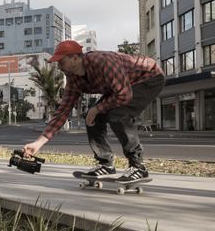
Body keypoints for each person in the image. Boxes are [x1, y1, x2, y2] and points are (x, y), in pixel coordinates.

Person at [23, 40, 165, 183]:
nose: (59, 67)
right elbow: (63, 111)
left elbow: (124, 95)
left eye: (61, 62)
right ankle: (105, 164)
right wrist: (38, 143)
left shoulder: (102, 62)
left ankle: (138, 166)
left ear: (75, 58)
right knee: (92, 118)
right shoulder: (73, 79)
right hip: (123, 85)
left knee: (118, 114)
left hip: (148, 77)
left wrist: (97, 108)